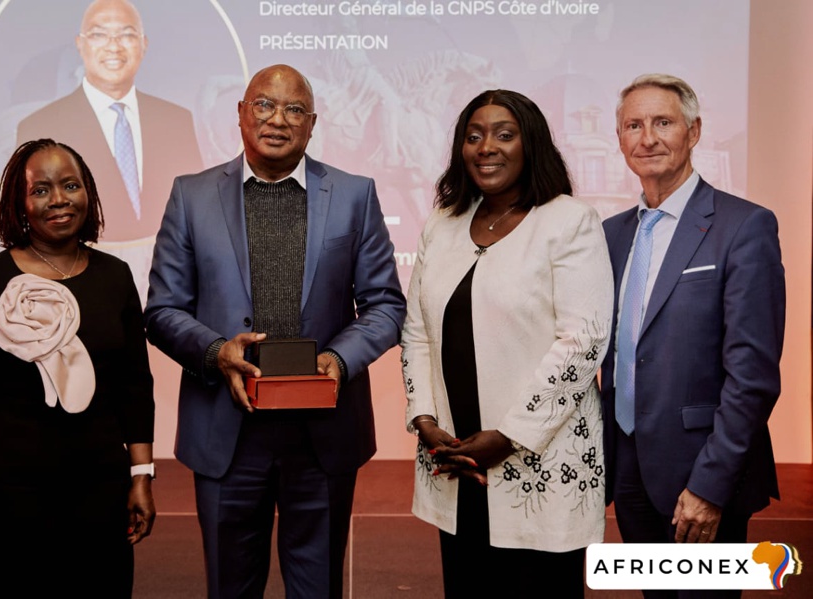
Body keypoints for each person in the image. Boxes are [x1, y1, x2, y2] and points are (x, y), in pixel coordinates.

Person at [144, 64, 405, 598]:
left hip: (323, 435)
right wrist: (217, 352)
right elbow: (164, 309)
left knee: (318, 588)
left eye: (293, 110)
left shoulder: (354, 195)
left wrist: (337, 359)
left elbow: (384, 304)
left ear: (312, 124)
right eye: (264, 105)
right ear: (241, 114)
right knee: (230, 588)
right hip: (226, 431)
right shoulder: (191, 196)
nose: (277, 120)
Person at [401, 89, 613, 598]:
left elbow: (582, 341)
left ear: (530, 143)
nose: (486, 147)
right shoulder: (442, 223)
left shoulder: (569, 221)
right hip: (455, 460)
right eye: (473, 136)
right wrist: (426, 420)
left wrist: (509, 436)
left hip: (537, 461)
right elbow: (417, 331)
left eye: (503, 134)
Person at [0, 139, 156, 598]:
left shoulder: (115, 277)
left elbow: (134, 387)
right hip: (18, 502)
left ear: (89, 194)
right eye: (40, 190)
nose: (59, 199)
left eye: (70, 185)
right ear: (19, 205)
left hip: (102, 495)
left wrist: (142, 477)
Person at [600, 74, 786, 599]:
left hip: (703, 475)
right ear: (619, 139)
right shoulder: (611, 235)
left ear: (694, 131)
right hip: (630, 468)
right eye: (633, 125)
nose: (648, 138)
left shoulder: (743, 226)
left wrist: (709, 485)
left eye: (663, 122)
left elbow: (752, 377)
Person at [16, 0, 203, 242]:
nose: (113, 46)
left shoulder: (176, 120)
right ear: (80, 44)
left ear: (143, 44)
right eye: (99, 34)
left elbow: (197, 213)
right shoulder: (39, 126)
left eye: (126, 34)